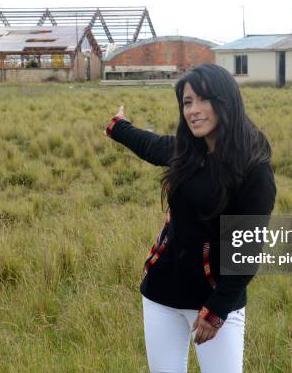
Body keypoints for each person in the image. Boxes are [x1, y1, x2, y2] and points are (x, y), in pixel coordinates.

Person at [104, 64, 276, 373]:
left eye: (202, 100)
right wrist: (118, 126)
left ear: (225, 101)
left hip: (213, 299)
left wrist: (218, 308)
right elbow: (151, 145)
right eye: (187, 102)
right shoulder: (187, 152)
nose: (193, 111)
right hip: (161, 293)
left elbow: (248, 250)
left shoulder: (254, 169)